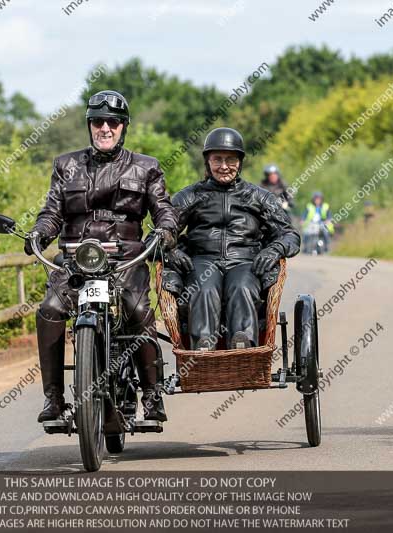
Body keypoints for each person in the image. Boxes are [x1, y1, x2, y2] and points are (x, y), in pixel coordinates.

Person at [25, 90, 178, 422]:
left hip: (126, 261)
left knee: (138, 311)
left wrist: (164, 230)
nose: (104, 128)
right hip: (75, 260)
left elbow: (164, 210)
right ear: (89, 125)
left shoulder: (146, 167)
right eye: (97, 122)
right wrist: (38, 232)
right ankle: (54, 399)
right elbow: (52, 212)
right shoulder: (66, 165)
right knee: (50, 310)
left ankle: (152, 396)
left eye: (112, 122)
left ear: (123, 127)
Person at [167, 128, 300, 350]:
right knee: (203, 287)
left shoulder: (259, 196)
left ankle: (243, 345)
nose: (224, 166)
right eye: (217, 159)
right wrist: (170, 251)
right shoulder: (189, 196)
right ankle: (202, 348)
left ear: (240, 162)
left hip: (245, 262)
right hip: (202, 261)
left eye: (231, 159)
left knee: (242, 287)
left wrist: (274, 249)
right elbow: (162, 232)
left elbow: (289, 234)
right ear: (207, 161)